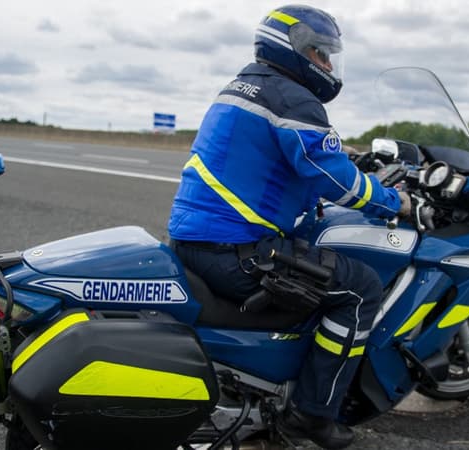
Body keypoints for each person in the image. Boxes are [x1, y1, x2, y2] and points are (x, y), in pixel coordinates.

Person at [168, 5, 410, 449]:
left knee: (313, 257)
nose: (328, 66)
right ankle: (311, 415)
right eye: (321, 54)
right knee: (360, 289)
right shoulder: (292, 99)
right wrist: (396, 200)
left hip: (201, 239)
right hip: (234, 251)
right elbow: (335, 180)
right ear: (294, 47)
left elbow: (289, 155)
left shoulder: (248, 85)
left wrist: (347, 156)